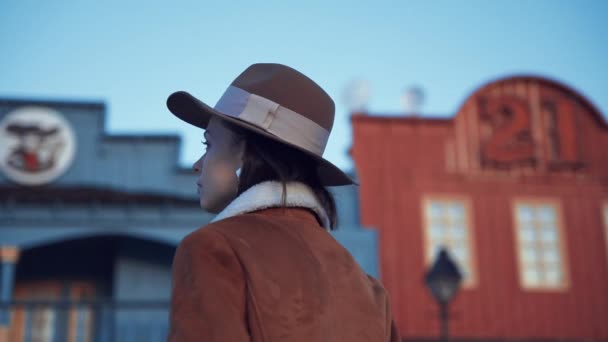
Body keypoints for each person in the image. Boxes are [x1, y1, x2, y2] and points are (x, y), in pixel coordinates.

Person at [166, 63, 400, 341]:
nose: (197, 164)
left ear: (245, 153)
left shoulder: (211, 249)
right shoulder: (369, 290)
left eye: (208, 145)